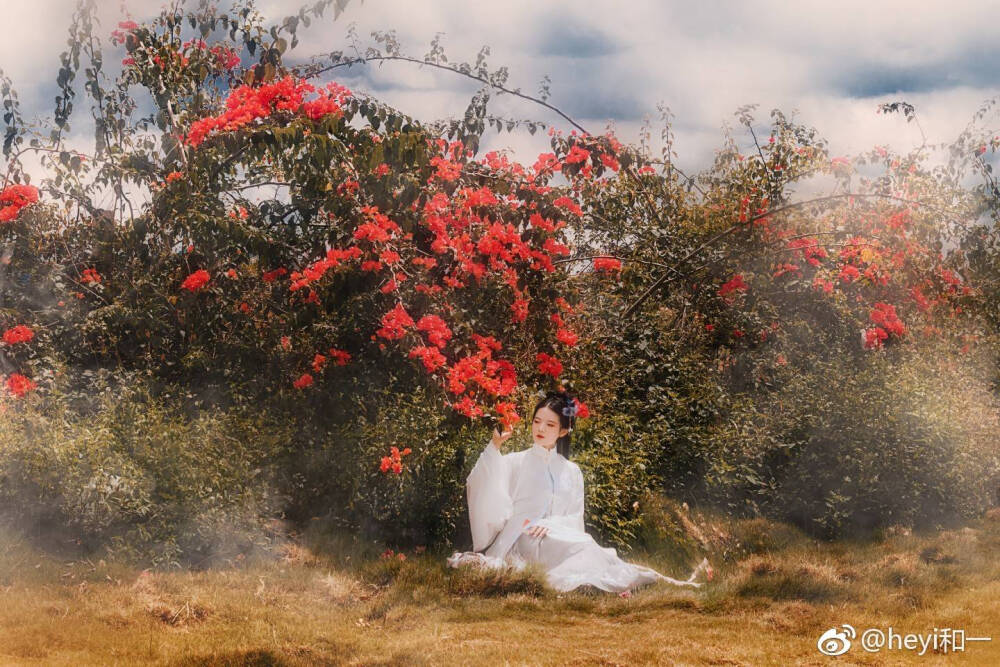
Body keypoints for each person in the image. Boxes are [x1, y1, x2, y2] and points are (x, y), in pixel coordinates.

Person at [447, 389, 711, 594]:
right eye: (537, 421)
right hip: (520, 538)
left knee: (583, 543)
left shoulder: (572, 471)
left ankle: (630, 579)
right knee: (581, 547)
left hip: (556, 535)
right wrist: (494, 448)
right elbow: (484, 487)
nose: (540, 429)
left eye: (550, 425)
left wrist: (551, 525)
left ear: (563, 430)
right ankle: (600, 583)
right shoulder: (515, 461)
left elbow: (575, 518)